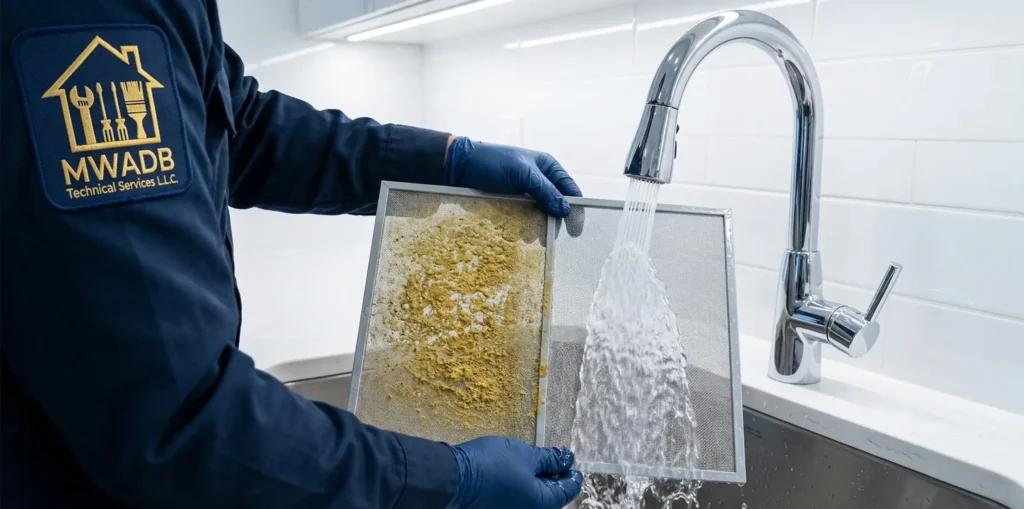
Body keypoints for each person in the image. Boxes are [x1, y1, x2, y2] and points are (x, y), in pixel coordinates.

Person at [0, 1, 585, 508]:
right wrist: (447, 480)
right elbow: (181, 418)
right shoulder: (86, 14)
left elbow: (237, 125)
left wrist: (442, 163)